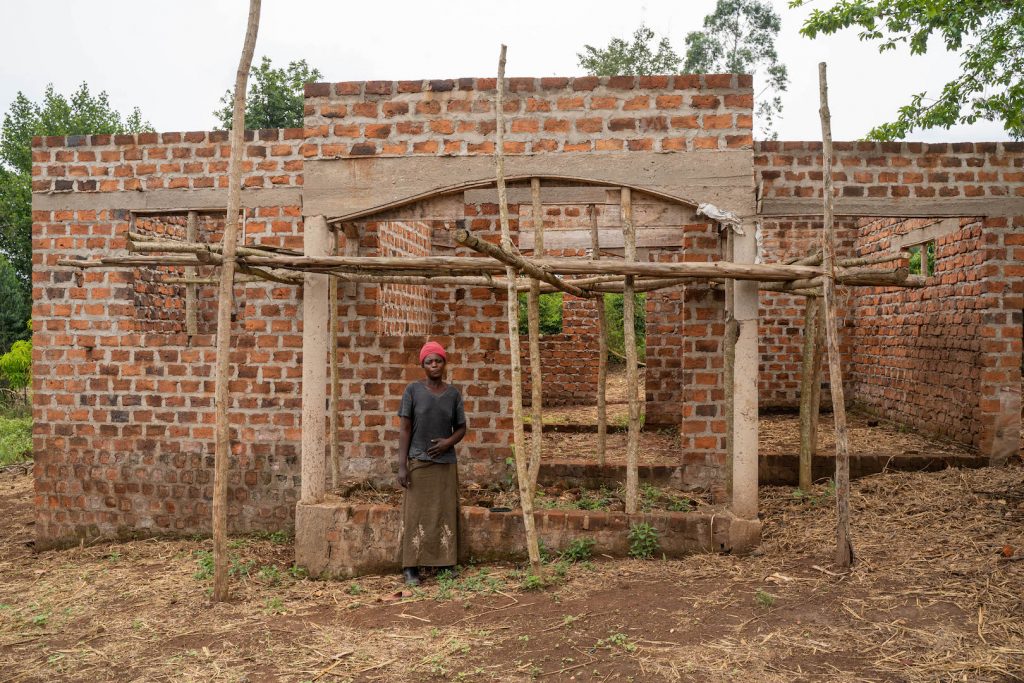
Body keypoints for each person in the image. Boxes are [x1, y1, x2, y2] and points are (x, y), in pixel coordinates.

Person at [396, 341, 467, 586]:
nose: (434, 365)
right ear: (422, 366)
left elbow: (461, 428)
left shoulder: (453, 394)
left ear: (444, 363)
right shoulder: (412, 391)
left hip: (445, 463)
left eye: (438, 361)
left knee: (444, 513)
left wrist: (448, 443)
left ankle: (445, 564)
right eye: (429, 361)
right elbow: (405, 429)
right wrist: (402, 465)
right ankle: (410, 567)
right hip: (418, 461)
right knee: (414, 514)